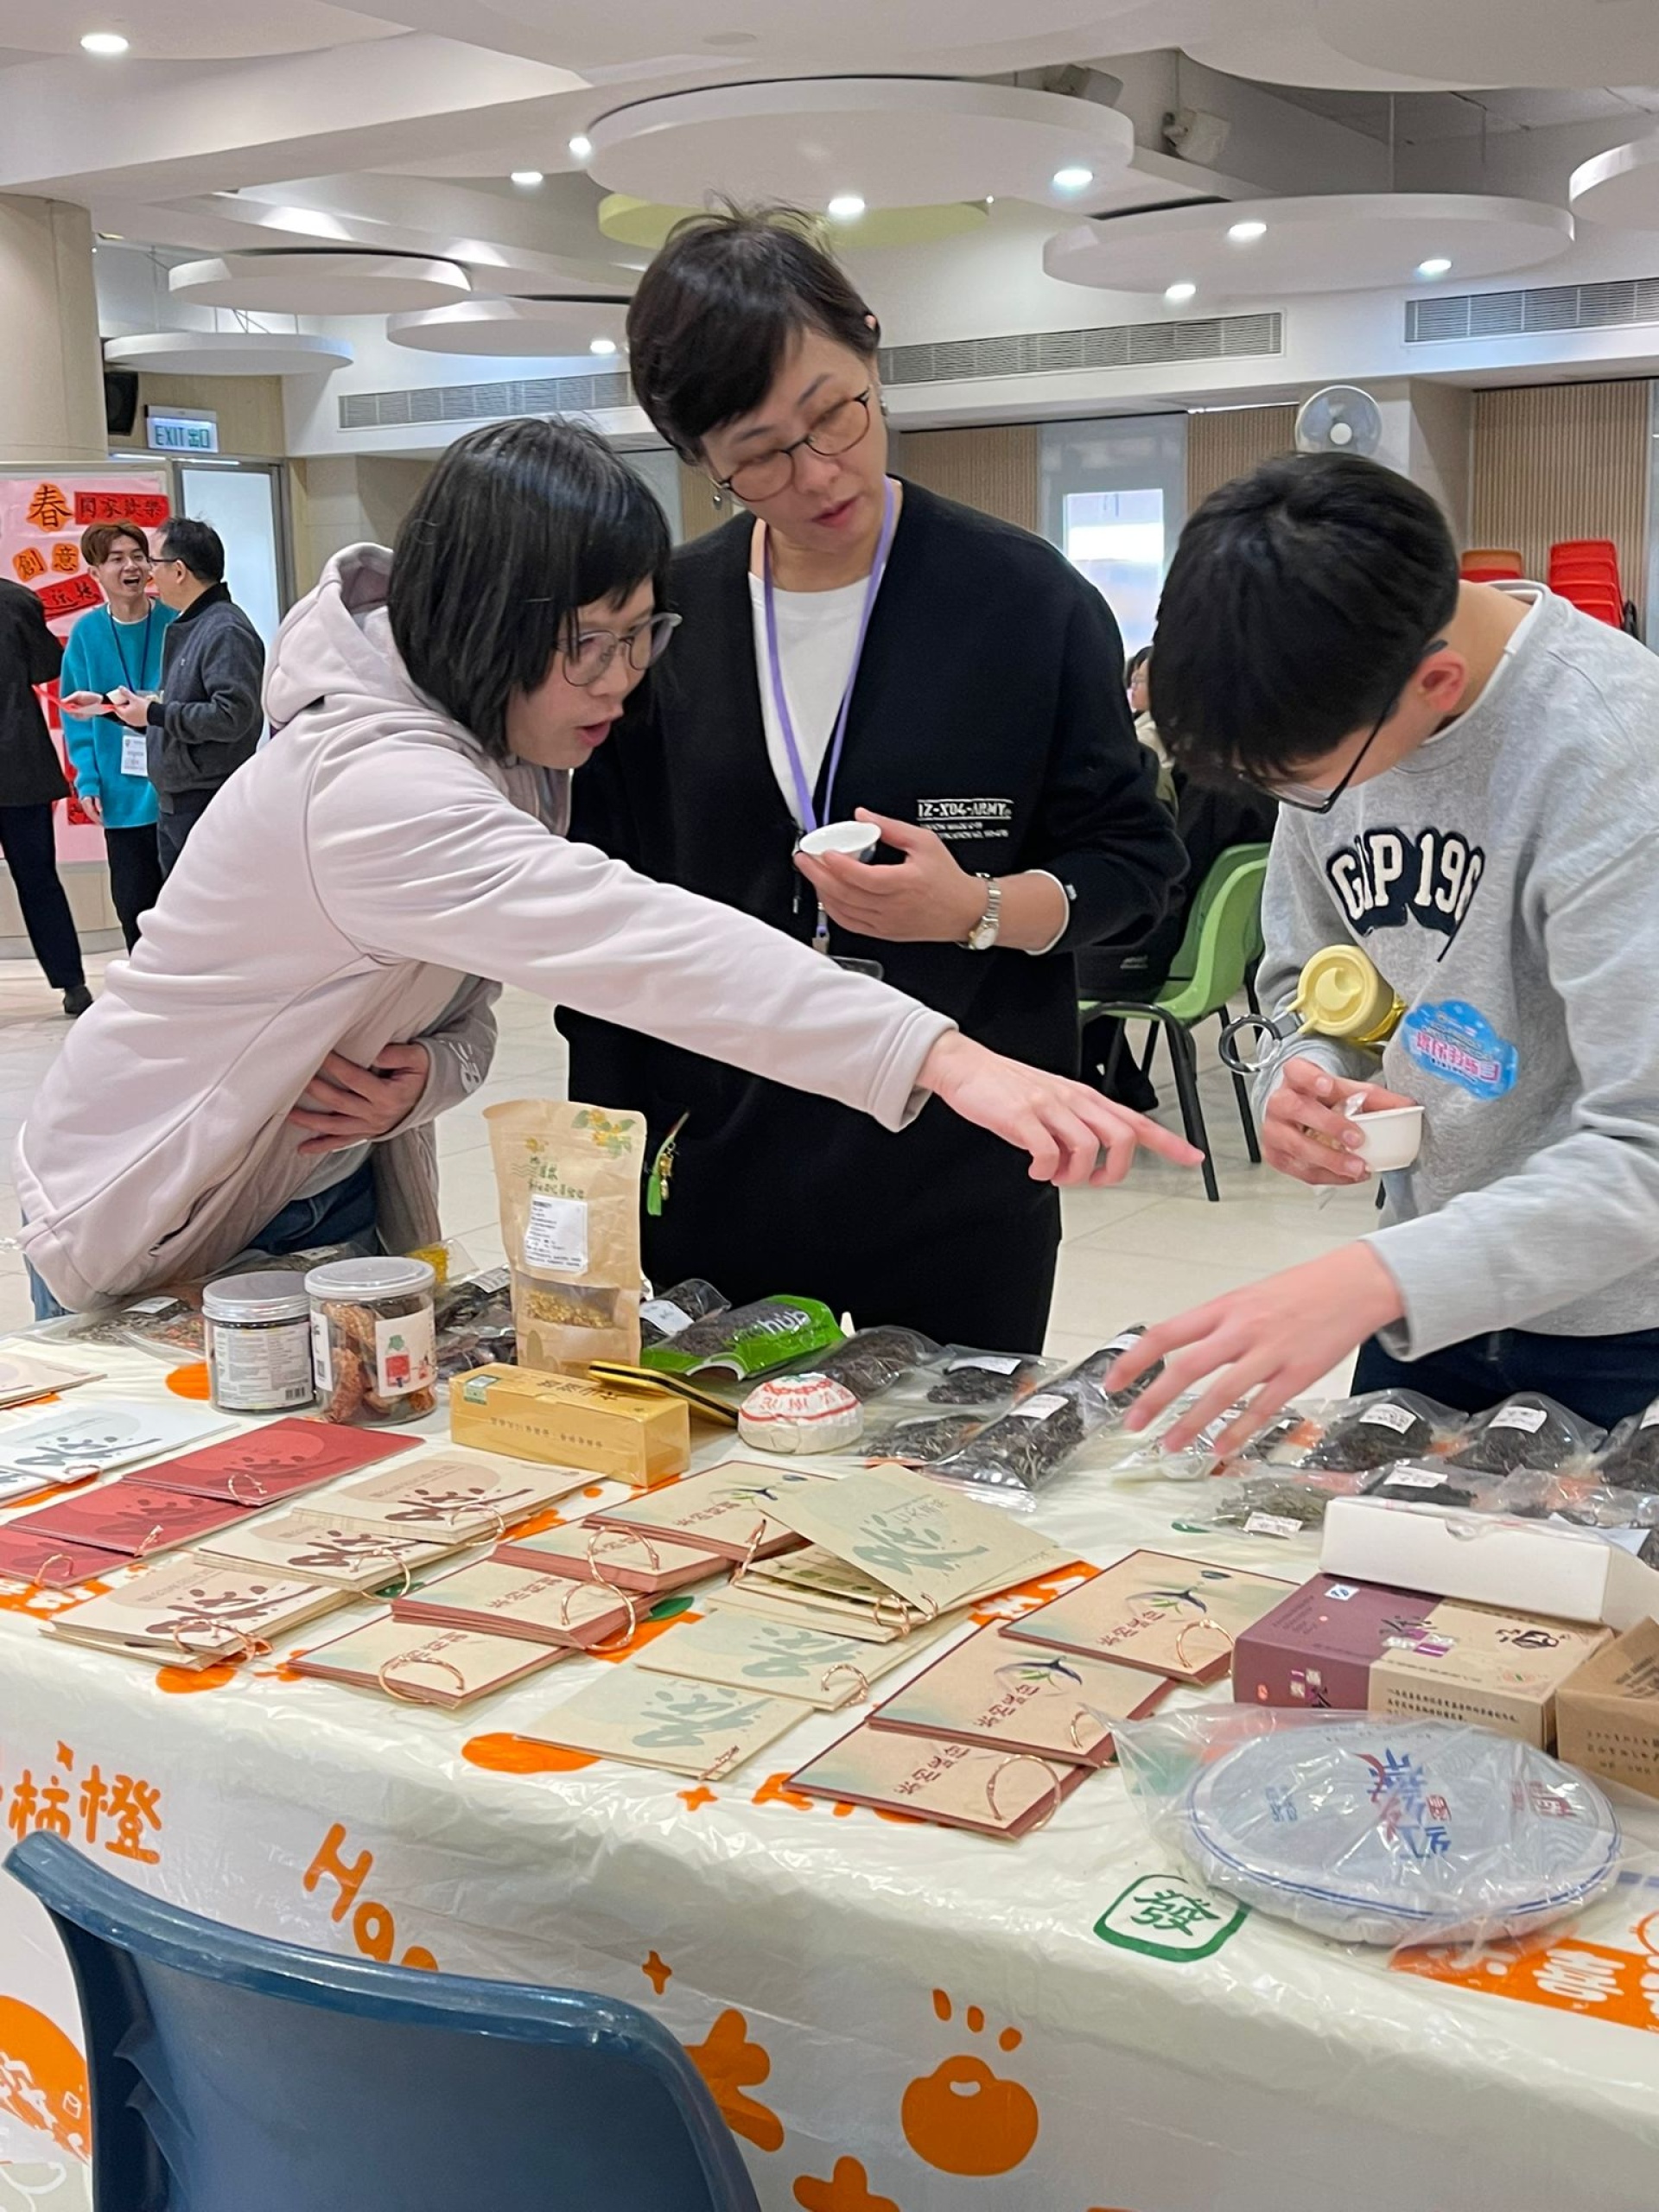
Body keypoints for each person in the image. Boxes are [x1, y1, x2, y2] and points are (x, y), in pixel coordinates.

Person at [17, 418, 1195, 1316]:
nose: (626, 680)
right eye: (594, 643)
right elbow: (644, 945)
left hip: (325, 1186)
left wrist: (421, 1079)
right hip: (155, 1206)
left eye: (643, 637)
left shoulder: (510, 748)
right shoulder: (373, 787)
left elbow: (468, 1015)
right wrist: (942, 1054)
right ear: (485, 621)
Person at [561, 210, 1186, 1349]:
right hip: (716, 1176)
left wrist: (981, 908)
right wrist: (603, 1176)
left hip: (960, 1180)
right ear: (700, 457)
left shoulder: (1026, 602)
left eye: (834, 413)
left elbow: (1134, 865)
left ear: (871, 346)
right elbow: (604, 916)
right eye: (759, 454)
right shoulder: (665, 624)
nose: (818, 473)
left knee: (953, 1460)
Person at [1109, 450, 1659, 1447]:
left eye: (1304, 783)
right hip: (1418, 1284)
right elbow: (1305, 976)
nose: (1305, 807)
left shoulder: (1618, 755)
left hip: (1613, 1315)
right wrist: (1302, 1074)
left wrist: (1373, 1278)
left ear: (1435, 682)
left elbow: (1648, 1149)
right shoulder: (1334, 712)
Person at [108, 516, 263, 875]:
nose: (148, 573)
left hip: (208, 798)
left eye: (153, 562)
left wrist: (155, 714)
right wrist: (114, 708)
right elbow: (182, 709)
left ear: (178, 571)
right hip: (178, 799)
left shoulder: (224, 629)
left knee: (210, 903)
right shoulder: (193, 623)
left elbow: (231, 716)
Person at [58, 520, 175, 951]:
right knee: (133, 903)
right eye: (117, 559)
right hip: (119, 790)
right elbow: (77, 717)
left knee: (181, 901)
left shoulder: (175, 623)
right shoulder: (87, 634)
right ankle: (145, 981)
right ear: (95, 573)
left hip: (175, 786)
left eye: (139, 557)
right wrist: (87, 779)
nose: (132, 567)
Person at [0, 577, 90, 1018]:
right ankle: (72, 983)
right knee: (39, 880)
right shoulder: (16, 600)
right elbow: (45, 666)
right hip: (20, 762)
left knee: (38, 880)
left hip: (21, 766)